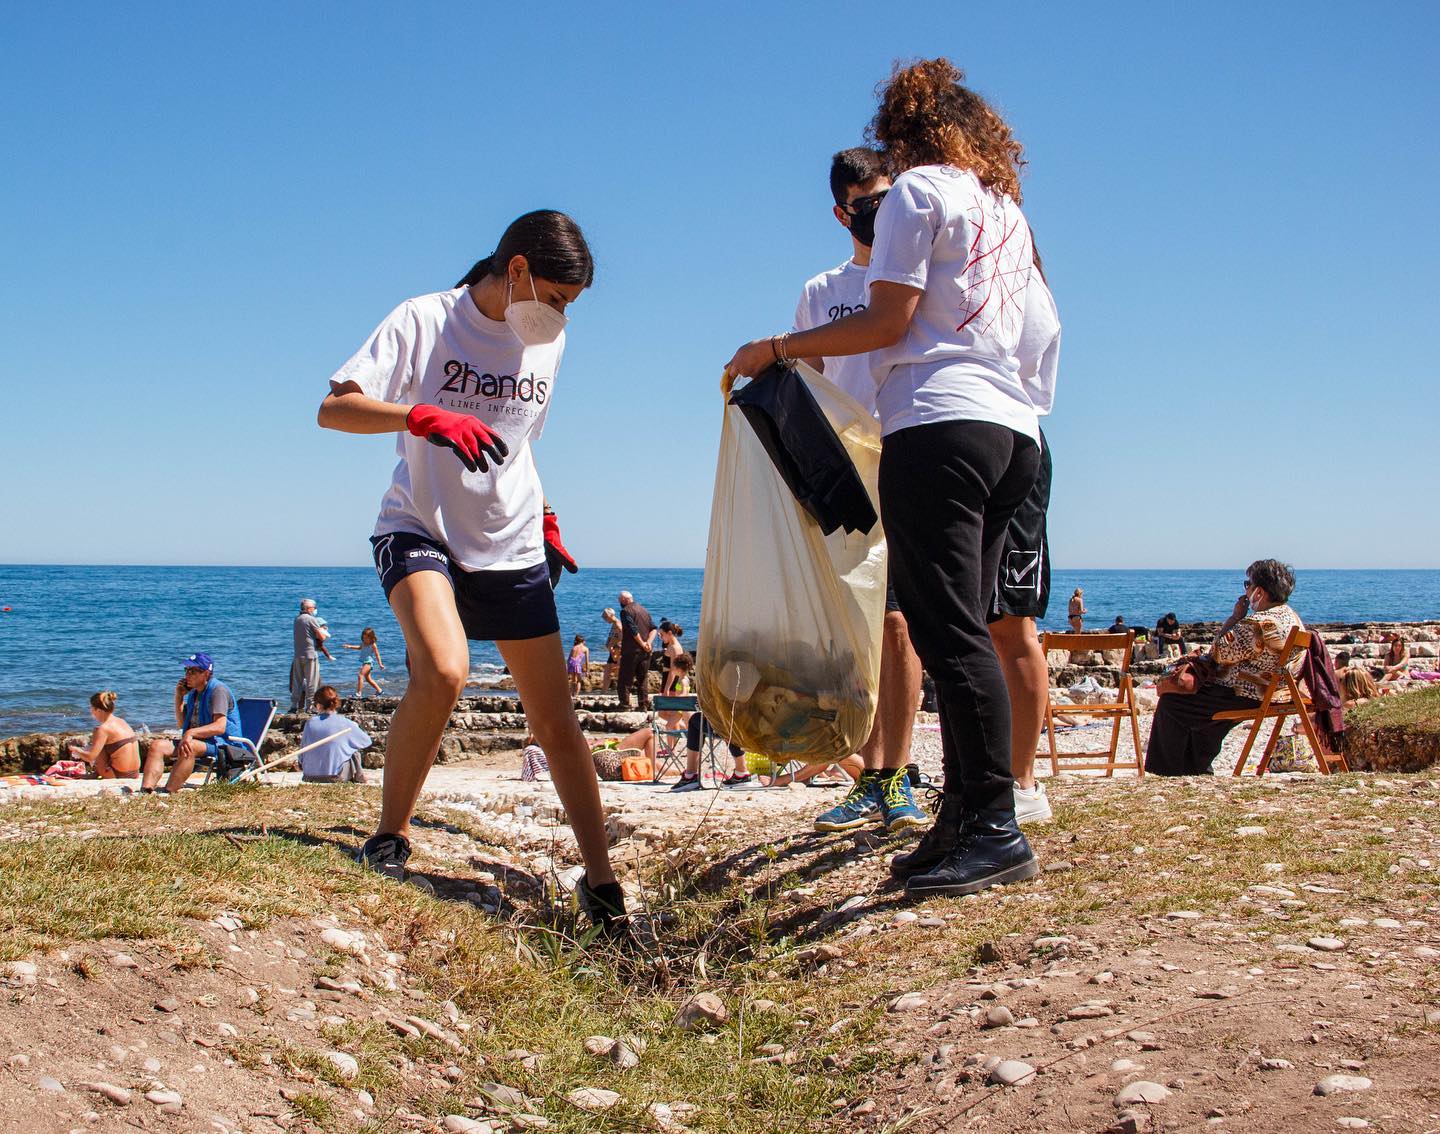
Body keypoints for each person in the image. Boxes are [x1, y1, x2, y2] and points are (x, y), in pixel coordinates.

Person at [726, 60, 1058, 897]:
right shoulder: (1004, 210)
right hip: (1011, 430)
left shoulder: (919, 194)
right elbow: (1042, 329)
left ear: (907, 131)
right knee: (966, 629)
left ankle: (992, 829)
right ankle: (961, 819)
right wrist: (1014, 396)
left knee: (949, 635)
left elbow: (886, 320)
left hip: (938, 425)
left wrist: (777, 350)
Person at [316, 209, 624, 930]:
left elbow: (518, 446)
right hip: (420, 527)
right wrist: (419, 416)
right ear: (515, 269)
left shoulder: (551, 343)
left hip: (512, 539)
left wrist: (546, 516)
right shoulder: (425, 319)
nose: (558, 315)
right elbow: (335, 409)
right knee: (445, 672)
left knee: (555, 719)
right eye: (553, 296)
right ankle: (391, 835)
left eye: (569, 306)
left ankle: (603, 884)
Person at [789, 146, 927, 836]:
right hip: (843, 475)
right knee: (853, 635)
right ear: (842, 211)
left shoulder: (919, 273)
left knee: (899, 623)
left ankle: (898, 774)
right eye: (867, 204)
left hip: (909, 453)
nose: (879, 214)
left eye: (888, 199)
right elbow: (807, 388)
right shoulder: (822, 290)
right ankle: (871, 775)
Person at [1144, 559, 1306, 776]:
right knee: (1202, 708)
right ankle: (1196, 769)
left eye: (1247, 585)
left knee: (1173, 702)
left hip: (1247, 694)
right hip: (1275, 691)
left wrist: (1235, 617)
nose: (1246, 590)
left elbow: (1217, 653)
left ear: (1259, 592)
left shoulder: (1257, 624)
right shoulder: (1292, 617)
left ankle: (1167, 772)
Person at [141, 653, 244, 793]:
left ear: (206, 673)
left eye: (192, 671)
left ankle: (169, 790)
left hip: (223, 744)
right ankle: (146, 789)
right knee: (157, 746)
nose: (187, 675)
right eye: (186, 670)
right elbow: (181, 724)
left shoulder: (218, 691)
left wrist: (190, 733)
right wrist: (178, 697)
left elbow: (220, 727)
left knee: (190, 745)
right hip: (202, 742)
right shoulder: (195, 693)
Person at [300, 686, 372, 782]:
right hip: (336, 777)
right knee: (353, 749)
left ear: (318, 705)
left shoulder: (310, 723)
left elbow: (302, 753)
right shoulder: (345, 722)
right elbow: (366, 741)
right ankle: (360, 776)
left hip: (309, 776)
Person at [67, 691, 139, 779]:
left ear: (98, 710)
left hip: (117, 774)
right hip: (135, 773)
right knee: (102, 745)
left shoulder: (102, 729)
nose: (91, 711)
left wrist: (76, 750)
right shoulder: (122, 721)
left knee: (98, 746)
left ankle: (97, 773)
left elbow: (90, 757)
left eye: (91, 708)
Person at [616, 590, 655, 711]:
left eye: (619, 600)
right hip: (645, 651)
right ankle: (643, 705)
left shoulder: (625, 611)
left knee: (625, 679)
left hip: (631, 650)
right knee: (642, 678)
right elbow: (653, 629)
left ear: (624, 600)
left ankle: (625, 705)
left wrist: (643, 643)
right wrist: (648, 643)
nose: (619, 603)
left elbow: (632, 629)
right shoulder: (644, 610)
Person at [290, 599, 329, 712]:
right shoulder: (311, 619)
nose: (315, 609)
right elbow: (321, 637)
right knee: (312, 681)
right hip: (310, 654)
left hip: (298, 653)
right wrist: (324, 631)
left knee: (297, 681)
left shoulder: (297, 619)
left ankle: (294, 705)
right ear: (309, 609)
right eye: (314, 607)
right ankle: (310, 706)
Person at [344, 627, 386, 698]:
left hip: (369, 662)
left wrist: (380, 664)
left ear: (371, 637)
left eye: (367, 638)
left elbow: (377, 655)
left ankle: (358, 693)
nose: (365, 639)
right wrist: (350, 646)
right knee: (368, 679)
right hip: (364, 662)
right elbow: (359, 647)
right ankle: (380, 691)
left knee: (360, 675)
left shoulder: (373, 645)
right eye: (364, 638)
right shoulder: (363, 643)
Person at [601, 607, 623, 691]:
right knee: (607, 673)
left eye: (605, 617)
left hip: (616, 652)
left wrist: (617, 648)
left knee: (615, 673)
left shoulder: (618, 624)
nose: (605, 620)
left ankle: (621, 692)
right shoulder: (614, 624)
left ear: (611, 615)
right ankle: (604, 692)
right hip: (613, 651)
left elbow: (622, 638)